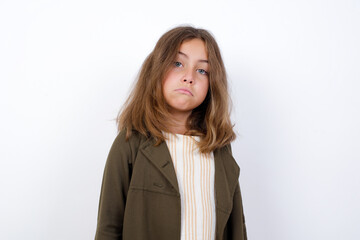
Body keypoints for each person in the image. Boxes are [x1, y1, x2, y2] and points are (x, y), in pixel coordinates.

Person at [95, 26, 247, 240]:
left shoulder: (218, 148)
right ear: (156, 68)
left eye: (202, 70)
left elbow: (236, 227)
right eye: (178, 63)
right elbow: (108, 229)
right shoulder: (131, 143)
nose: (189, 77)